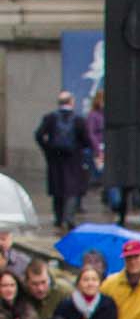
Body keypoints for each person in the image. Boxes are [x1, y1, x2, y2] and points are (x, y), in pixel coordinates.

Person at [33, 90, 90, 230]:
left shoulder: (50, 118)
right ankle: (69, 218)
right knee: (72, 189)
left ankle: (58, 218)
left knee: (57, 188)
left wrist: (48, 149)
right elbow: (86, 140)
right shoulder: (79, 120)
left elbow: (39, 135)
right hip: (73, 159)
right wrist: (79, 149)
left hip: (55, 159)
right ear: (71, 102)